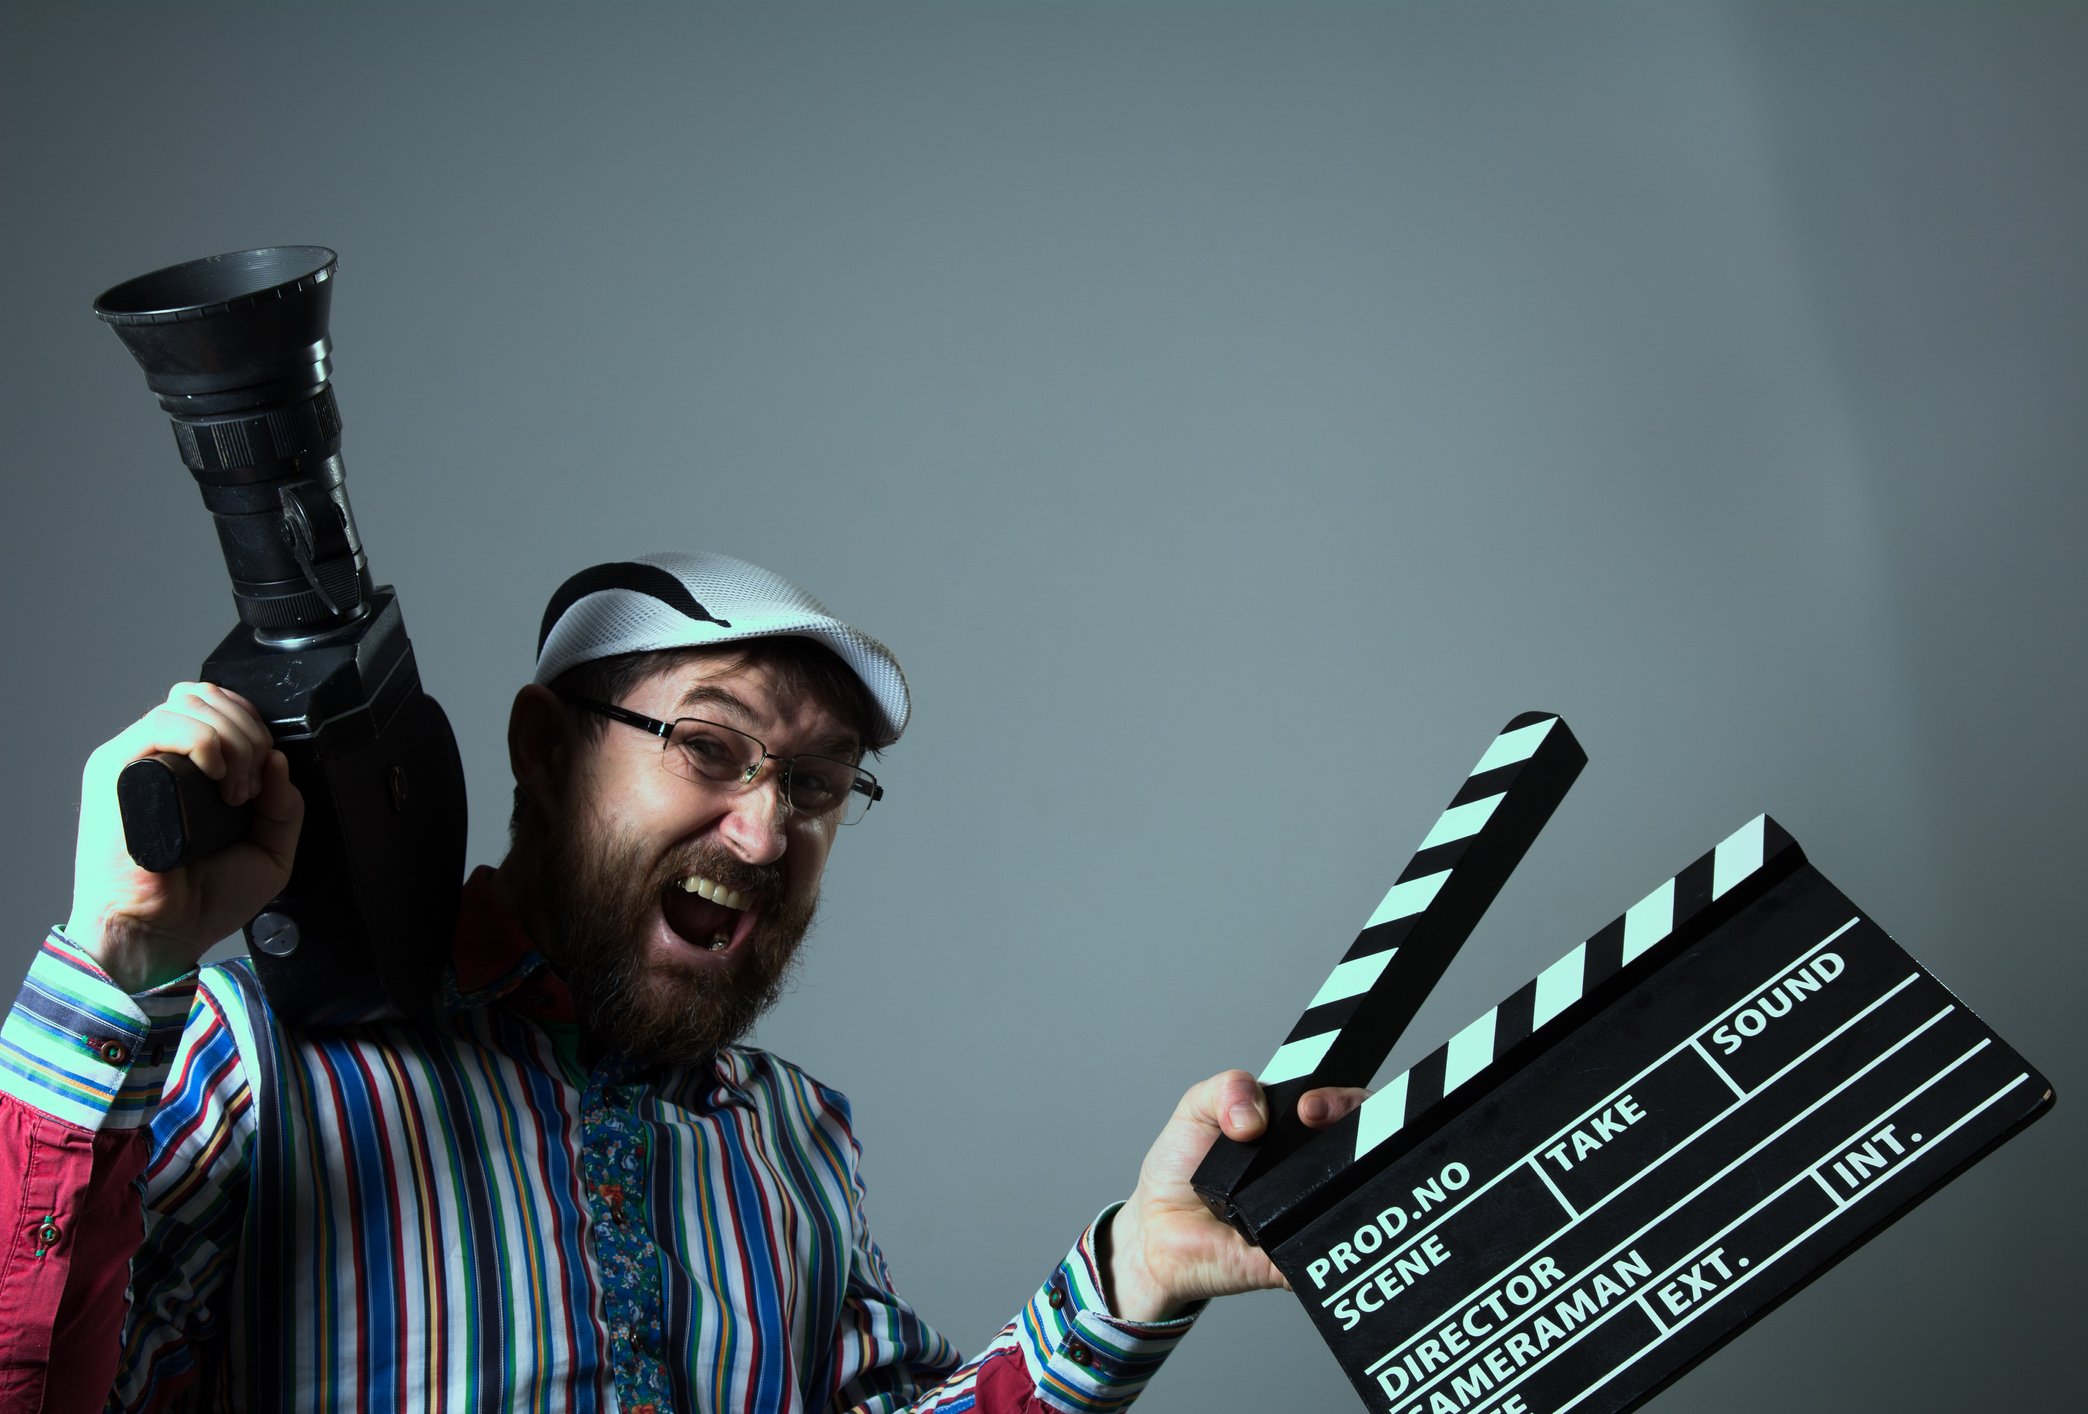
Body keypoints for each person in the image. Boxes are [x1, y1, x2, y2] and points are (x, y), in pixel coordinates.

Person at [0, 552, 1361, 1413]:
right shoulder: (254, 1056)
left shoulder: (789, 1140)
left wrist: (1129, 1274)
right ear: (543, 749)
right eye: (711, 747)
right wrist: (116, 963)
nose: (768, 833)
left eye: (819, 785)